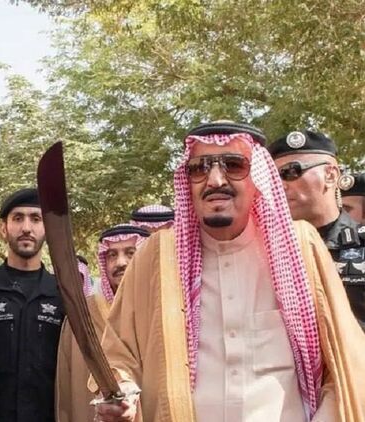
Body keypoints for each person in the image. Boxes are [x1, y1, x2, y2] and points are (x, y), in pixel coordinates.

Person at [94, 122, 365, 422]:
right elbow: (118, 351)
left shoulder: (300, 246)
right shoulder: (157, 255)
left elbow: (343, 364)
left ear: (258, 178)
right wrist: (123, 390)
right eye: (199, 168)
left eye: (234, 165)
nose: (214, 180)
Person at [0, 188, 64, 422]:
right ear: (3, 228)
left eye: (36, 219)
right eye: (18, 218)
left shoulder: (63, 293)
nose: (27, 228)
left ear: (47, 228)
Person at [269, 131, 365, 329]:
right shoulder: (266, 252)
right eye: (273, 178)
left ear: (330, 175)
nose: (280, 186)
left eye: (291, 172)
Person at [56, 225, 148, 422]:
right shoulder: (81, 315)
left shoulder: (162, 314)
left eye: (130, 253)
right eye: (112, 255)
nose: (120, 262)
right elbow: (65, 387)